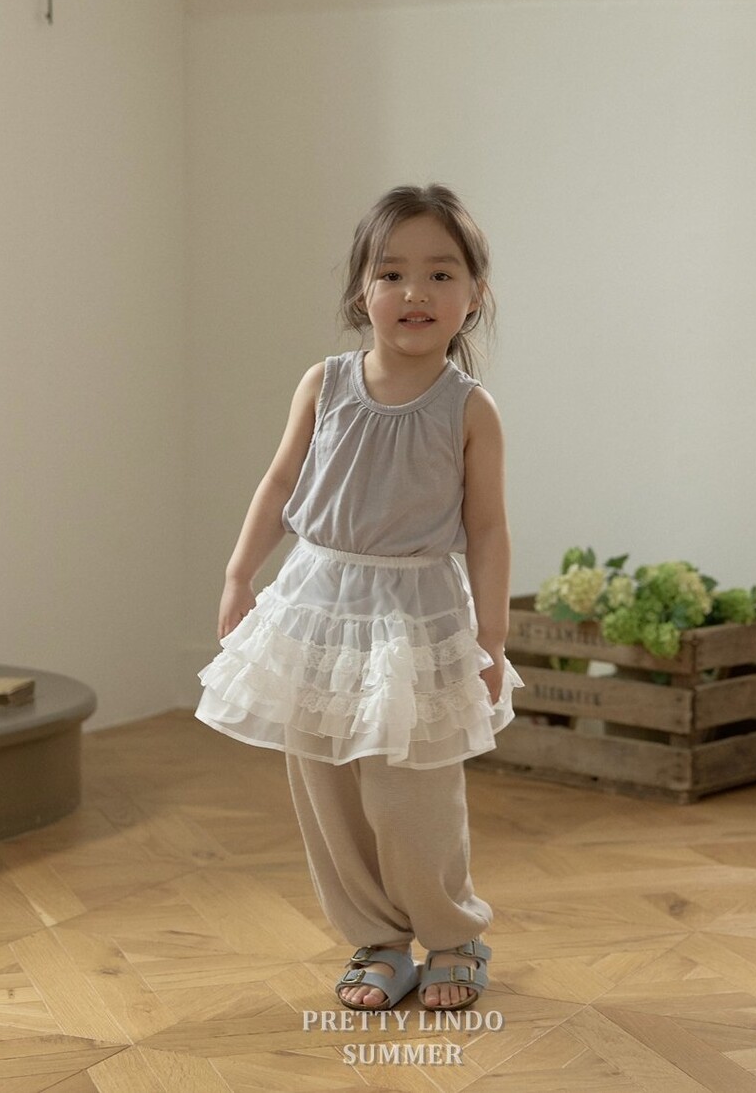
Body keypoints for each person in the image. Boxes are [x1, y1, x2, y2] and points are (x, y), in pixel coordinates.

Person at [195, 183, 522, 1012]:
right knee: (327, 788)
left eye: (441, 274)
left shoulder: (469, 408)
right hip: (316, 603)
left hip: (417, 614)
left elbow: (487, 529)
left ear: (474, 296)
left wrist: (492, 636)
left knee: (412, 793)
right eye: (392, 273)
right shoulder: (325, 383)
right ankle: (376, 938)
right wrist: (239, 574)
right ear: (361, 292)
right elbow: (279, 485)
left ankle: (452, 934)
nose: (416, 292)